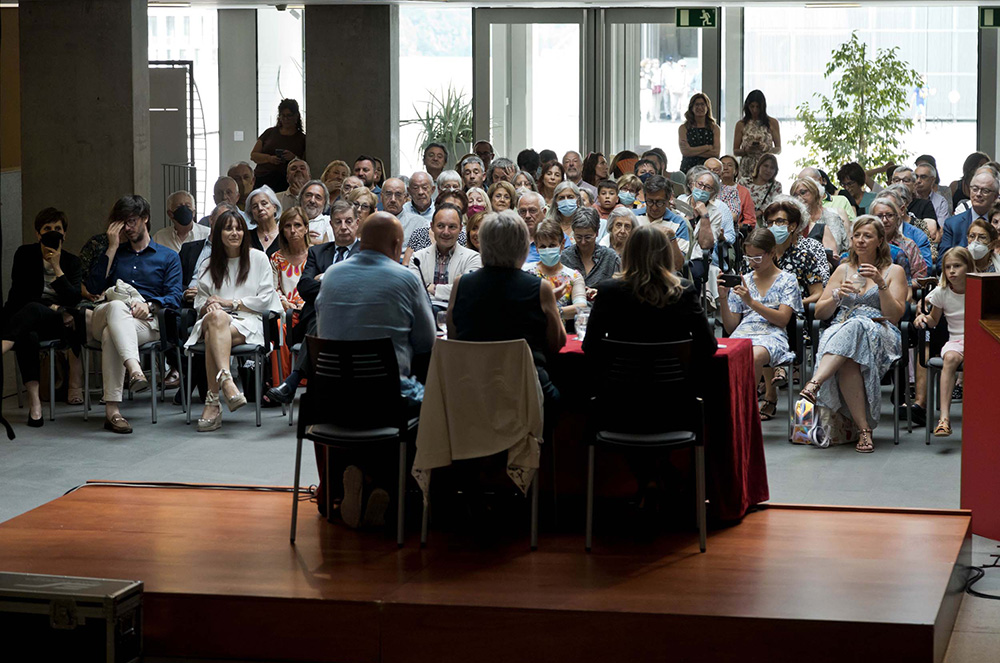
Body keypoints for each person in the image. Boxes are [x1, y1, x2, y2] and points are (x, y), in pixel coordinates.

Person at [316, 212, 437, 527]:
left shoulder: (330, 275)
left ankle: (345, 481)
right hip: (386, 402)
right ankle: (390, 489)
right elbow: (426, 342)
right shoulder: (406, 278)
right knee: (433, 404)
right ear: (398, 244)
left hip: (331, 401)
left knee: (367, 400)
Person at [800, 216, 907, 453]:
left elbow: (894, 316)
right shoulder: (842, 269)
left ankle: (814, 382)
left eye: (867, 236)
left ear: (880, 240)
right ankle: (864, 431)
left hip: (880, 330)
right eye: (857, 235)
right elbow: (819, 313)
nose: (860, 240)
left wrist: (881, 284)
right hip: (841, 329)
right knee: (849, 358)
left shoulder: (894, 271)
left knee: (858, 325)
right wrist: (837, 295)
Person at [85, 195, 183, 434]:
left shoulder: (168, 257)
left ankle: (113, 412)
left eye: (131, 221)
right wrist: (111, 247)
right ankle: (135, 369)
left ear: (145, 219)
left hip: (145, 323)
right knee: (117, 308)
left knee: (111, 335)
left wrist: (150, 305)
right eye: (122, 223)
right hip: (106, 312)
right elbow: (95, 287)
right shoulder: (115, 253)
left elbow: (175, 296)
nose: (127, 228)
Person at [448, 210, 566, 407]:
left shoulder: (461, 284)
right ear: (523, 247)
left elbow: (454, 337)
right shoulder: (539, 288)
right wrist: (551, 305)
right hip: (526, 391)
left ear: (484, 245)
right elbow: (557, 343)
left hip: (473, 390)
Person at [184, 208, 280, 431]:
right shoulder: (208, 264)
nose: (234, 233)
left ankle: (212, 403)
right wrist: (210, 304)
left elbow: (266, 299)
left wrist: (230, 303)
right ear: (219, 234)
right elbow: (199, 301)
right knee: (216, 319)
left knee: (213, 333)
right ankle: (227, 381)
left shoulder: (258, 259)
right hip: (215, 320)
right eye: (228, 229)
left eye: (239, 228)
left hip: (248, 321)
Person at [264, 200, 361, 406]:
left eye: (348, 221)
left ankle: (292, 381)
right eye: (338, 222)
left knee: (324, 322)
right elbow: (305, 287)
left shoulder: (366, 252)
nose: (343, 226)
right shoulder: (318, 252)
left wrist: (327, 279)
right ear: (331, 225)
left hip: (354, 320)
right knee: (323, 320)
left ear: (357, 223)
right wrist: (343, 284)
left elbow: (363, 288)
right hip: (316, 317)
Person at [583, 224, 716, 358]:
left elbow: (590, 345)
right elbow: (708, 345)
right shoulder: (683, 290)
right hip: (673, 376)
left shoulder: (608, 290)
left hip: (620, 376)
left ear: (628, 253)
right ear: (666, 255)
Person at [2, 208, 84, 425]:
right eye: (47, 229)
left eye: (57, 228)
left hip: (55, 324)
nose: (52, 232)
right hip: (22, 319)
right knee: (27, 335)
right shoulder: (24, 254)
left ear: (64, 234)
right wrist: (56, 305)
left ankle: (3, 344)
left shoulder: (72, 262)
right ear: (38, 234)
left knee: (34, 309)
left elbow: (74, 297)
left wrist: (57, 267)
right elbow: (21, 294)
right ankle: (34, 403)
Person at [718, 228, 802, 420]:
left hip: (773, 333)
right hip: (744, 331)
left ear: (772, 252)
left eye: (757, 258)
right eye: (748, 258)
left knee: (753, 355)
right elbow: (731, 327)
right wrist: (723, 299)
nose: (752, 263)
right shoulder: (744, 280)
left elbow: (782, 319)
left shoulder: (787, 280)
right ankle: (731, 407)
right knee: (726, 353)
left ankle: (742, 412)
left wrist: (751, 302)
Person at [914, 247, 972, 438]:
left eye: (957, 266)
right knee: (949, 358)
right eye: (948, 267)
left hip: (979, 339)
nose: (952, 271)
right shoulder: (942, 292)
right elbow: (934, 320)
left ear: (968, 266)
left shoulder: (980, 288)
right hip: (956, 339)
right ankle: (944, 419)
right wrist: (922, 318)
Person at [757, 197, 830, 305]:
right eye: (770, 223)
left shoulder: (804, 257)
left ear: (792, 226)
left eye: (780, 221)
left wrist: (792, 304)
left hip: (793, 314)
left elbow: (818, 293)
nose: (773, 226)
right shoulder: (759, 255)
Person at [408, 204, 482, 307]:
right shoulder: (417, 258)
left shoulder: (473, 258)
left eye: (452, 227)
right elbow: (414, 292)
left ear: (460, 228)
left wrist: (431, 287)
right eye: (440, 226)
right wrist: (454, 290)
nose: (446, 232)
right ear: (432, 226)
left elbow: (467, 291)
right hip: (426, 315)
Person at [938, 168, 1000, 269]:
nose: (978, 194)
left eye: (985, 191)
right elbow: (941, 263)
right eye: (975, 189)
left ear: (995, 196)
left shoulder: (998, 223)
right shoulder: (952, 224)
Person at [560, 207, 622, 291]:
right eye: (578, 237)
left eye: (588, 237)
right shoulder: (565, 257)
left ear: (597, 233)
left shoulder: (610, 258)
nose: (583, 242)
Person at [250, 99, 306, 193]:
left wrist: (293, 158)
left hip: (286, 181)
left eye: (289, 116)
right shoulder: (269, 133)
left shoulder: (302, 138)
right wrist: (269, 158)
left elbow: (306, 164)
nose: (285, 119)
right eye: (283, 116)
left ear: (296, 116)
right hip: (263, 177)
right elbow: (254, 155)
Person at [634, 174, 688, 268]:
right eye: (650, 201)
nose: (654, 208)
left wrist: (672, 238)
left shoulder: (679, 223)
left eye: (659, 202)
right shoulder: (632, 217)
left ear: (668, 200)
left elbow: (678, 265)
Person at [869, 197, 927, 283]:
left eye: (889, 215)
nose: (884, 220)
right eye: (879, 216)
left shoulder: (908, 245)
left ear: (897, 218)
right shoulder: (864, 245)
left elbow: (920, 278)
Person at [404, 190, 469, 264]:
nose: (450, 212)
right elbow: (406, 264)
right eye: (447, 206)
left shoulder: (464, 238)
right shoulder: (419, 233)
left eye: (457, 209)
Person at [733, 90, 781, 180]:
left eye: (758, 107)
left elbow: (778, 149)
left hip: (766, 166)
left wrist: (766, 148)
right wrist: (746, 150)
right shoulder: (741, 124)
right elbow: (735, 151)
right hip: (747, 166)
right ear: (747, 106)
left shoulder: (772, 123)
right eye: (752, 107)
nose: (755, 110)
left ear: (763, 107)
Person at [271, 206, 311, 314]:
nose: (293, 230)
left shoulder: (316, 254)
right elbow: (274, 289)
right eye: (288, 226)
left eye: (297, 225)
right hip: (285, 311)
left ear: (306, 228)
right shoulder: (276, 258)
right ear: (282, 231)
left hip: (311, 310)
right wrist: (284, 302)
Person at [790, 177, 842, 256]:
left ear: (815, 193)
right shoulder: (794, 221)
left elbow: (835, 250)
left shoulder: (831, 218)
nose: (799, 198)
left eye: (803, 192)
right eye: (795, 195)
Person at [705, 158, 753, 230]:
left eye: (716, 170)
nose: (726, 168)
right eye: (708, 169)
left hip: (724, 229)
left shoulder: (731, 192)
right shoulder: (698, 188)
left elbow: (734, 215)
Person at [678, 93, 720, 173]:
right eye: (697, 105)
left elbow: (716, 153)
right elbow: (686, 152)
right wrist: (707, 147)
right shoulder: (683, 128)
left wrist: (692, 150)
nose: (699, 107)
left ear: (707, 107)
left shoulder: (714, 128)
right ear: (692, 108)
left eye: (702, 104)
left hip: (709, 170)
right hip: (688, 169)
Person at [739, 153, 782, 221]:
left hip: (764, 224)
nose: (768, 170)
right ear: (759, 166)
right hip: (743, 221)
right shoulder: (744, 182)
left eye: (772, 168)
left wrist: (759, 212)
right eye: (766, 166)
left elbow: (775, 205)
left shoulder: (776, 186)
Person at [718, 155, 757, 229]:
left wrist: (736, 227)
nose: (725, 168)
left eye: (729, 165)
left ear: (736, 171)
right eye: (722, 165)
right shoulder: (712, 189)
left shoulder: (744, 192)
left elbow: (750, 220)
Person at [245, 185, 283, 257]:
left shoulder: (285, 234)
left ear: (274, 207)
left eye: (264, 203)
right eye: (255, 206)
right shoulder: (247, 237)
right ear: (251, 213)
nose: (260, 208)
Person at [297, 180, 333, 246]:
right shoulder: (289, 220)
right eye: (308, 195)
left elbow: (332, 247)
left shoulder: (329, 222)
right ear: (301, 198)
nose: (312, 200)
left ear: (324, 202)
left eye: (318, 197)